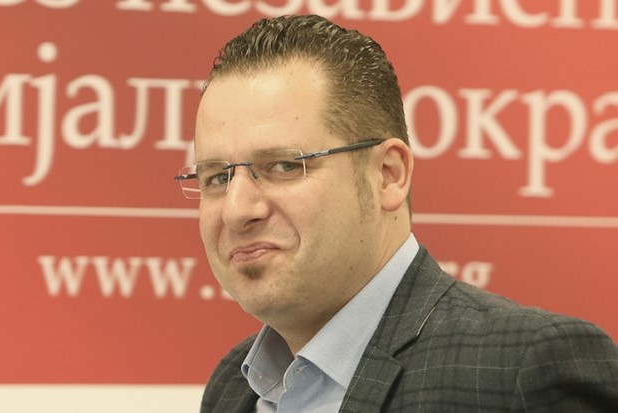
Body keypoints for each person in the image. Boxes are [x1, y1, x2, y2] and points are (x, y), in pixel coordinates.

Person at [174, 14, 618, 412]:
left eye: (285, 166)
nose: (237, 210)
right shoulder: (233, 386)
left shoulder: (524, 370)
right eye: (217, 177)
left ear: (388, 175)